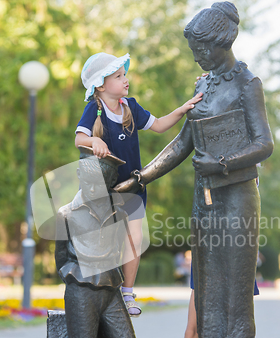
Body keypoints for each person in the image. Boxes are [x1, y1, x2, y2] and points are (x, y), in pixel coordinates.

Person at [115, 2, 273, 338]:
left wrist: (223, 161)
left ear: (221, 42)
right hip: (204, 205)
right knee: (207, 305)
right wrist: (140, 177)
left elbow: (264, 143)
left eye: (200, 47)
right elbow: (183, 143)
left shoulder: (246, 84)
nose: (195, 56)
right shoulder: (203, 85)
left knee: (236, 306)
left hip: (238, 200)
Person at [75, 52, 202, 317]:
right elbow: (79, 139)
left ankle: (128, 292)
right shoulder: (95, 108)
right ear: (101, 85)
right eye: (119, 76)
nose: (126, 79)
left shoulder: (130, 106)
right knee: (106, 241)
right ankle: (100, 292)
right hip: (104, 189)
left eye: (124, 74)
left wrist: (182, 110)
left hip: (132, 187)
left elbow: (158, 126)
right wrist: (94, 142)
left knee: (134, 238)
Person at [55, 149, 145, 338]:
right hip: (81, 288)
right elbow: (60, 259)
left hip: (111, 288)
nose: (93, 188)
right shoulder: (66, 214)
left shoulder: (118, 210)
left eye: (99, 183)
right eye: (88, 181)